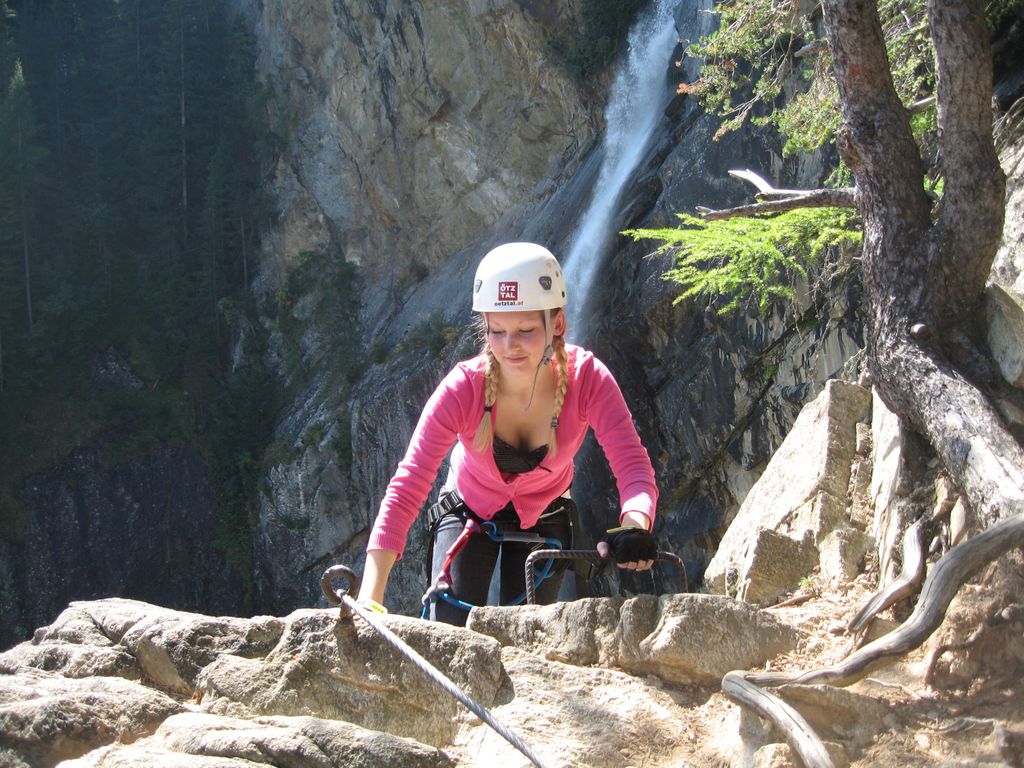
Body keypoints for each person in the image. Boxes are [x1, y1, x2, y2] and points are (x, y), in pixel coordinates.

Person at [358, 242, 659, 625]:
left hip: (547, 512)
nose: (508, 346)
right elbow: (410, 482)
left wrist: (635, 525)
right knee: (449, 630)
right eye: (496, 330)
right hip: (467, 507)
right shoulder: (462, 388)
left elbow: (631, 464)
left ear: (558, 324)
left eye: (526, 330)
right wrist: (371, 594)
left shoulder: (589, 380)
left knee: (530, 635)